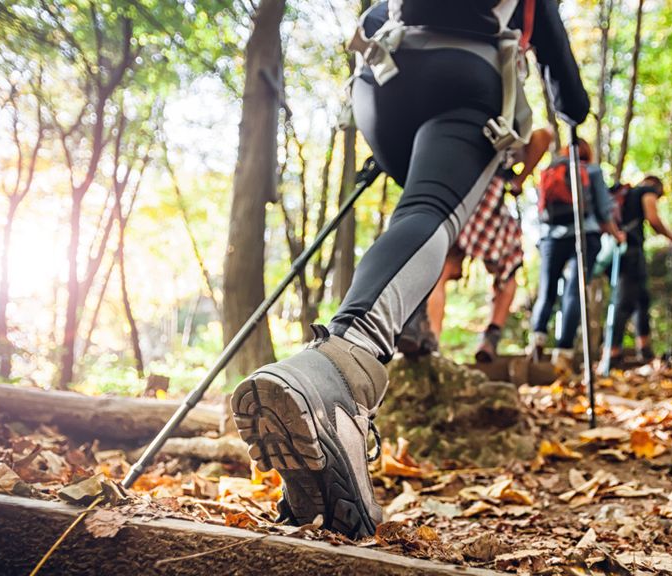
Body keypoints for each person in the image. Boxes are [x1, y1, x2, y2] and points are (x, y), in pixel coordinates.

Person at [231, 0, 589, 539]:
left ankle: (403, 336)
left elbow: (377, 14)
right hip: (463, 77)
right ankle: (342, 372)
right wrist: (573, 111)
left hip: (380, 79)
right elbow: (562, 78)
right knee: (430, 212)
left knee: (417, 209)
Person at [406, 127, 553, 363]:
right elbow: (544, 135)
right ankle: (490, 337)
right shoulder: (504, 122)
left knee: (440, 271)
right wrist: (519, 179)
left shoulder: (455, 129)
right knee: (507, 271)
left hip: (455, 195)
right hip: (490, 199)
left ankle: (429, 338)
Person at [527, 139, 624, 372]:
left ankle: (536, 340)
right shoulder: (592, 171)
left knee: (547, 291)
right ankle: (563, 353)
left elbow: (539, 212)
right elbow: (603, 209)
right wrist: (616, 234)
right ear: (587, 153)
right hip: (585, 235)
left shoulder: (550, 170)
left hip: (551, 237)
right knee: (574, 291)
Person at [598, 175, 672, 371]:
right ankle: (612, 353)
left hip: (616, 252)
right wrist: (670, 236)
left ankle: (644, 349)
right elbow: (652, 218)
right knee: (623, 301)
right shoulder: (646, 191)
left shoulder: (624, 196)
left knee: (641, 298)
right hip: (630, 251)